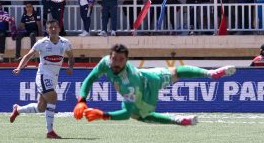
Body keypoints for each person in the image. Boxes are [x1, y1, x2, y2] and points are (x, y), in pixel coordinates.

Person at [73, 44, 236, 126]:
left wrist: (103, 115)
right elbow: (90, 78)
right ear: (110, 57)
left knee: (138, 116)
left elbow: (125, 114)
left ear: (127, 60)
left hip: (146, 94)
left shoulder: (128, 83)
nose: (116, 62)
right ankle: (211, 73)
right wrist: (82, 100)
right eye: (114, 59)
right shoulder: (105, 63)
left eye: (121, 60)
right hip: (150, 75)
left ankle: (178, 120)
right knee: (175, 72)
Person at [10, 19, 74, 139]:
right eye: (51, 28)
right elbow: (28, 56)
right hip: (43, 75)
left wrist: (70, 67)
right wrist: (19, 68)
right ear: (47, 30)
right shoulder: (41, 43)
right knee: (53, 97)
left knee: (41, 107)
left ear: (59, 28)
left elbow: (71, 56)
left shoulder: (65, 43)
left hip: (54, 77)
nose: (53, 29)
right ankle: (50, 132)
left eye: (55, 27)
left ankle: (18, 109)